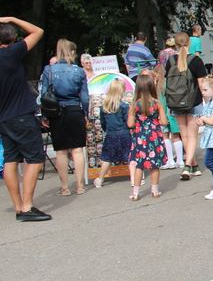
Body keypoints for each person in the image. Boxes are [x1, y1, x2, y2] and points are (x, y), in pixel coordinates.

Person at [0, 17, 51, 222]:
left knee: (11, 160)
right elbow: (38, 31)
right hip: (20, 114)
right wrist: (10, 18)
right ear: (12, 38)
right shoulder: (11, 53)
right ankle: (28, 206)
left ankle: (19, 207)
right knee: (35, 158)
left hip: (3, 118)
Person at [40, 38, 90, 196]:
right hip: (75, 110)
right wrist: (86, 114)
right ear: (72, 52)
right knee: (77, 150)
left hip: (56, 112)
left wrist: (45, 115)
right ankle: (80, 186)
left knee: (61, 151)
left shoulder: (49, 70)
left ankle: (64, 187)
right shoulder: (79, 71)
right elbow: (85, 97)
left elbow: (44, 95)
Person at [165, 31, 207, 180]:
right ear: (189, 43)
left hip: (175, 102)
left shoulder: (170, 61)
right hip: (193, 101)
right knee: (193, 136)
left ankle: (194, 166)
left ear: (175, 45)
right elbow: (202, 83)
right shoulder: (195, 60)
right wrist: (207, 100)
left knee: (184, 135)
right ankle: (187, 166)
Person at [127, 73, 168, 200]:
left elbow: (130, 124)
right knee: (154, 165)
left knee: (140, 165)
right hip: (154, 136)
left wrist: (139, 122)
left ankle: (135, 192)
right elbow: (164, 122)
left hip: (140, 137)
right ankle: (155, 191)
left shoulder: (135, 105)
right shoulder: (157, 103)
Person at [93, 79, 130, 188]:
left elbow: (103, 123)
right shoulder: (124, 106)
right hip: (124, 133)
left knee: (107, 158)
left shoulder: (104, 107)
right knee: (129, 156)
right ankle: (136, 178)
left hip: (111, 134)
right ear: (122, 90)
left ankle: (100, 179)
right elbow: (127, 121)